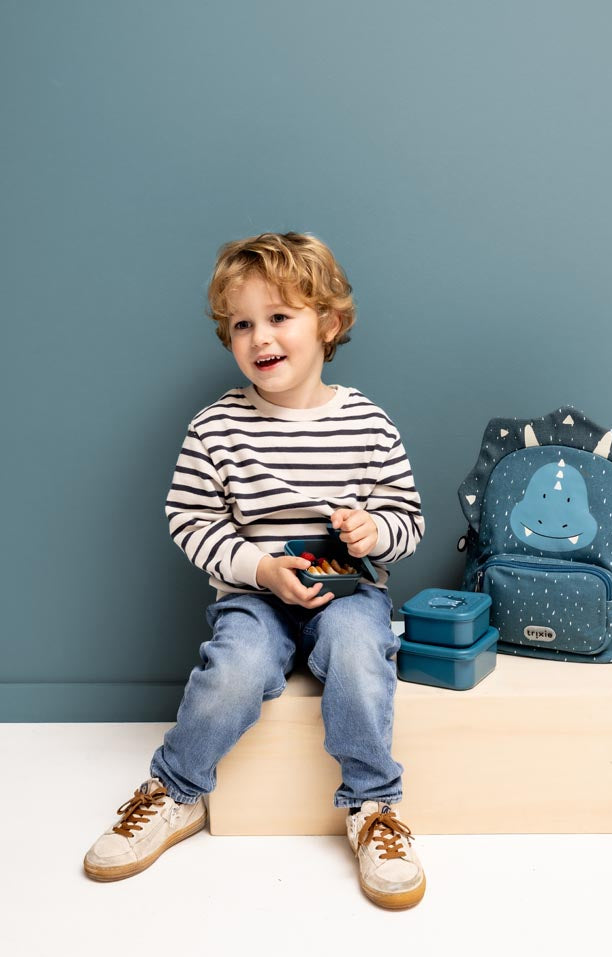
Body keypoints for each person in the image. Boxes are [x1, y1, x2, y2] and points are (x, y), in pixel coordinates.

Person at [83, 231, 426, 909]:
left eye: (279, 316)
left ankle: (373, 806)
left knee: (360, 654)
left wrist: (374, 530)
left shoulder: (369, 424)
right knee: (234, 668)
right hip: (254, 597)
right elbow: (191, 521)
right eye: (241, 324)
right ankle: (175, 790)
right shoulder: (215, 428)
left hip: (349, 594)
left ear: (328, 324)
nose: (259, 337)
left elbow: (407, 521)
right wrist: (262, 569)